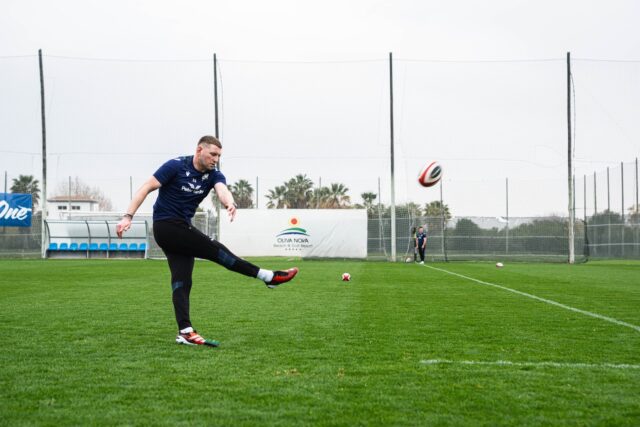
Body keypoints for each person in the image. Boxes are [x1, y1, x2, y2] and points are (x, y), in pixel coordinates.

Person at [116, 135, 298, 347]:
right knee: (217, 251)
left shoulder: (214, 175)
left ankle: (185, 331)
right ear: (199, 150)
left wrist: (230, 203)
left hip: (181, 230)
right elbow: (146, 187)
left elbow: (222, 190)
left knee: (182, 281)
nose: (216, 159)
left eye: (219, 156)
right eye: (213, 154)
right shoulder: (176, 166)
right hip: (166, 226)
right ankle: (267, 276)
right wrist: (127, 216)